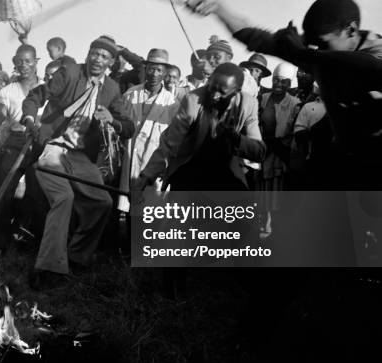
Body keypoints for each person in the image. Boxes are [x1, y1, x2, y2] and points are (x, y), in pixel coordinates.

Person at [185, 0, 382, 188]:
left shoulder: (373, 51)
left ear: (351, 30)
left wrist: (307, 55)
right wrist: (218, 8)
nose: (319, 49)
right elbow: (255, 37)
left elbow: (371, 68)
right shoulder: (315, 50)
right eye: (315, 45)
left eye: (324, 44)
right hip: (343, 164)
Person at [21, 35, 135, 288]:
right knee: (64, 198)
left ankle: (76, 258)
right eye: (95, 53)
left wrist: (112, 121)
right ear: (88, 54)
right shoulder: (70, 72)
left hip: (80, 155)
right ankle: (48, 268)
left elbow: (128, 127)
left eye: (104, 56)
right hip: (53, 147)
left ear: (112, 62)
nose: (98, 59)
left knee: (102, 202)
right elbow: (36, 96)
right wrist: (30, 121)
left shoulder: (112, 89)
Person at [135, 62, 265, 191]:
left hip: (224, 174)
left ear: (236, 91)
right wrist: (148, 175)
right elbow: (170, 143)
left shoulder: (248, 105)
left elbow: (258, 150)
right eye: (212, 88)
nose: (214, 96)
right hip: (190, 170)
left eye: (222, 92)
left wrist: (234, 139)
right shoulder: (192, 100)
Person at [0, 43, 41, 246]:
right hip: (16, 143)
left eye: (28, 61)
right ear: (14, 63)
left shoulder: (48, 88)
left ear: (35, 62)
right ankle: (0, 239)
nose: (24, 65)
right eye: (19, 61)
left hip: (41, 145)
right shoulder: (6, 92)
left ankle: (34, 238)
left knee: (38, 191)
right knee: (4, 189)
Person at [118, 49, 179, 213]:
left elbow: (173, 140)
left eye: (159, 70)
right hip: (128, 159)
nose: (154, 74)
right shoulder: (130, 95)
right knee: (126, 210)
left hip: (151, 164)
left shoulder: (171, 104)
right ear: (145, 69)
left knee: (148, 213)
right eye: (151, 68)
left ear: (165, 73)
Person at [259, 63, 301, 235]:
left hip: (281, 154)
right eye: (276, 80)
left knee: (278, 189)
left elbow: (293, 130)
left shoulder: (295, 103)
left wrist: (280, 145)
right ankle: (264, 223)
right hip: (263, 151)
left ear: (289, 85)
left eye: (283, 82)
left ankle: (276, 226)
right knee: (262, 188)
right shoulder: (263, 98)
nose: (278, 84)